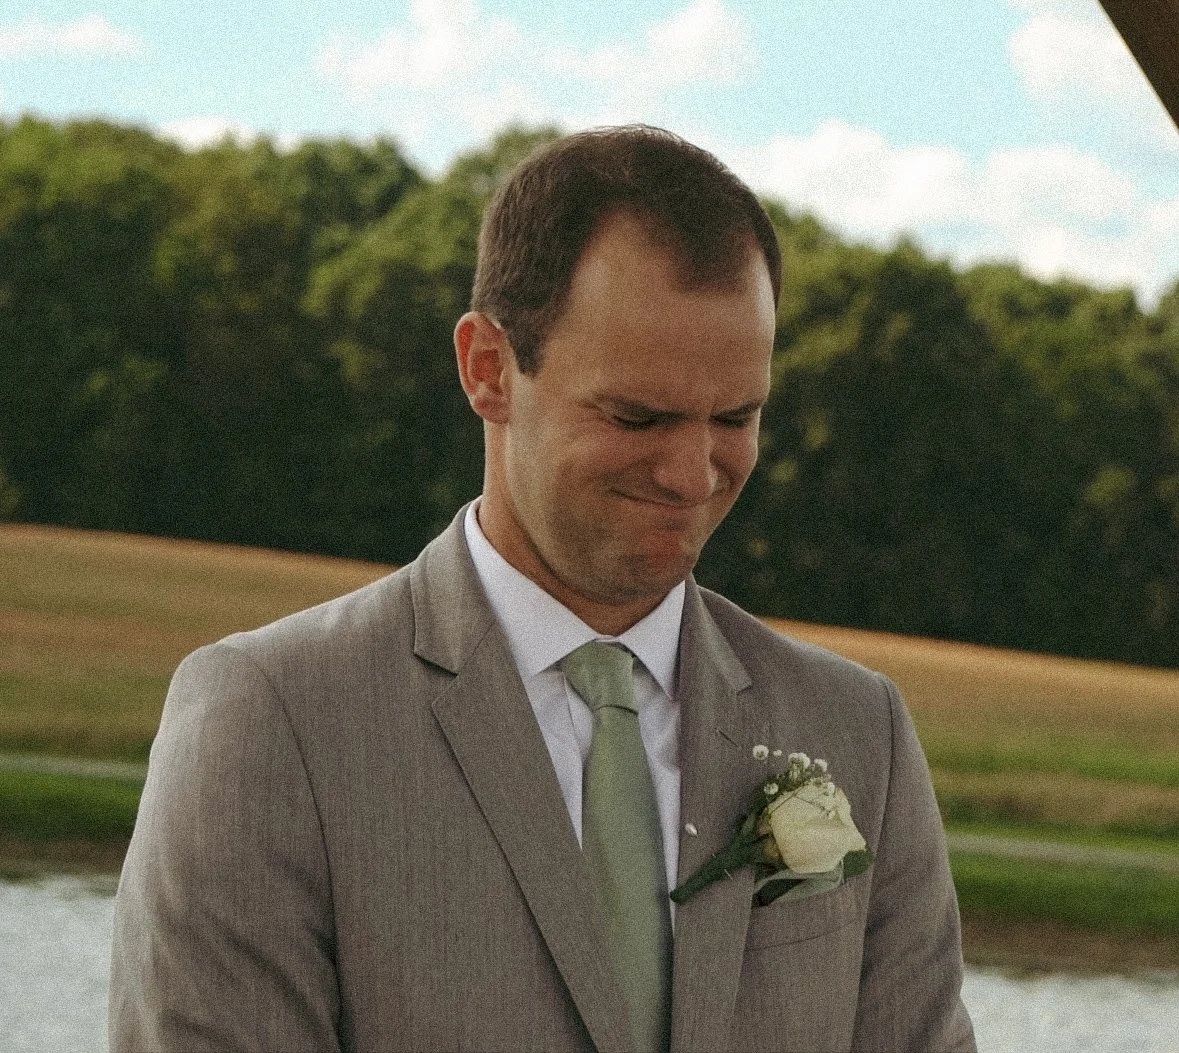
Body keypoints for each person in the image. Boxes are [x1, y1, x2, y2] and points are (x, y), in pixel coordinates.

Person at [109, 126, 976, 1053]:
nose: (692, 473)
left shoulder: (859, 733)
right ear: (487, 367)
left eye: (735, 416)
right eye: (636, 415)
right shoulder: (271, 720)